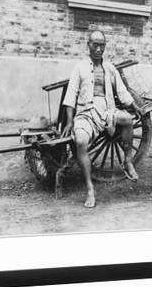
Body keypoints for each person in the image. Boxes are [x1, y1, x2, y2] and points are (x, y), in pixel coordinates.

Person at [61, 30, 143, 208]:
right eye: (95, 45)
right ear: (88, 45)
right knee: (81, 141)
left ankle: (127, 161)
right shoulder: (80, 67)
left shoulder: (109, 68)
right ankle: (90, 188)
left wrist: (133, 104)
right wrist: (69, 122)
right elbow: (71, 95)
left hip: (107, 110)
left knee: (128, 119)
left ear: (105, 47)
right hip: (86, 112)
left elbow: (121, 91)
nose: (98, 49)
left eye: (101, 45)